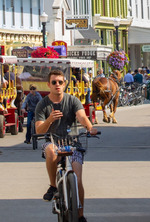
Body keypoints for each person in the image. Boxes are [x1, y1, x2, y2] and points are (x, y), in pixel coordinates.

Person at [35, 70, 97, 222]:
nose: (57, 85)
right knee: (50, 151)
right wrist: (49, 120)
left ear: (65, 84)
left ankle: (80, 214)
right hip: (53, 140)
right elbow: (39, 130)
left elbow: (82, 116)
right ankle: (53, 186)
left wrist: (90, 127)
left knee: (78, 178)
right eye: (54, 82)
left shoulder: (72, 100)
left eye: (60, 82)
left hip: (73, 142)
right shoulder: (42, 104)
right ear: (48, 85)